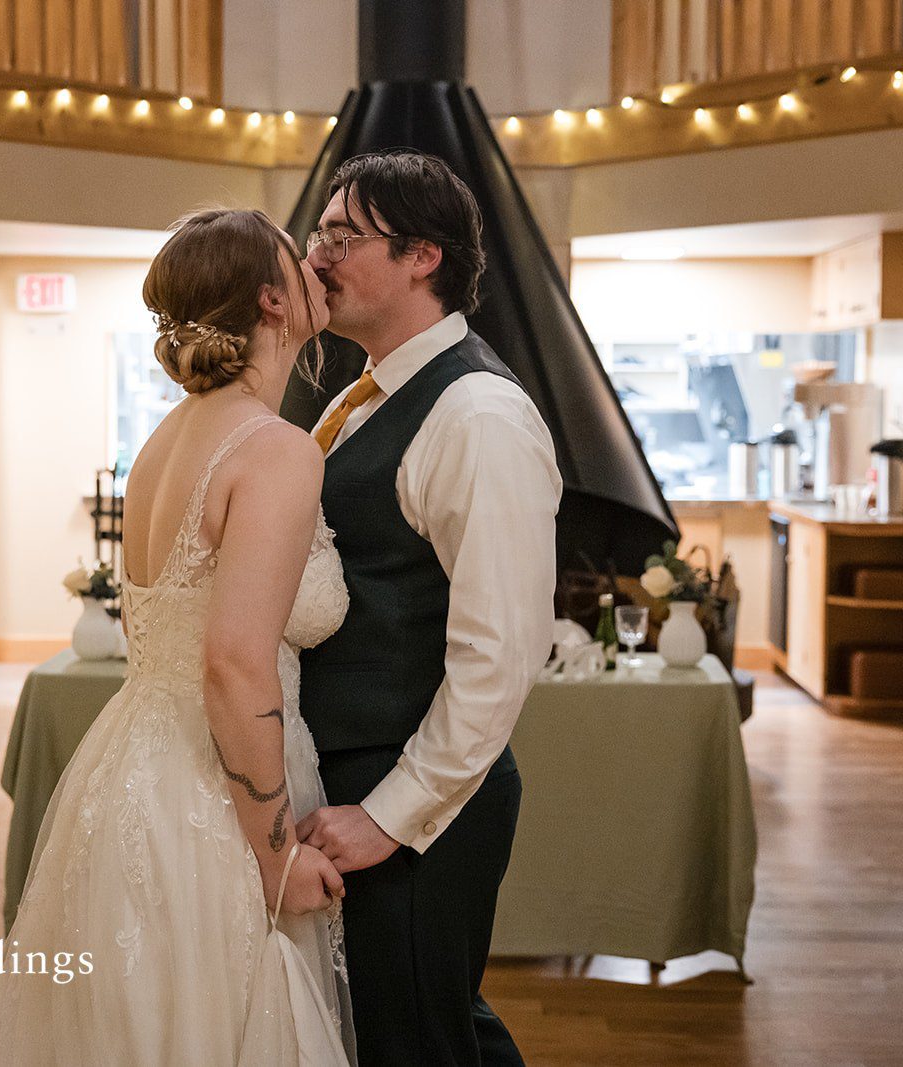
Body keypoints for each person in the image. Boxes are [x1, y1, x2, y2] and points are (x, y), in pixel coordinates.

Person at [0, 208, 355, 1065]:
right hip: (212, 794)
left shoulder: (162, 442)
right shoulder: (273, 449)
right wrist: (276, 857)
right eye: (302, 260)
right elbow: (230, 662)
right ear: (271, 299)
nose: (318, 267)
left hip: (131, 771)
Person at [296, 151, 562, 1065]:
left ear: (423, 256)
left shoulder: (477, 415)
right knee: (414, 1027)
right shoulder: (362, 397)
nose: (316, 254)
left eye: (342, 235)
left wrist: (388, 811)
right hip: (350, 773)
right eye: (319, 231)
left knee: (418, 1038)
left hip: (413, 794)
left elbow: (500, 650)